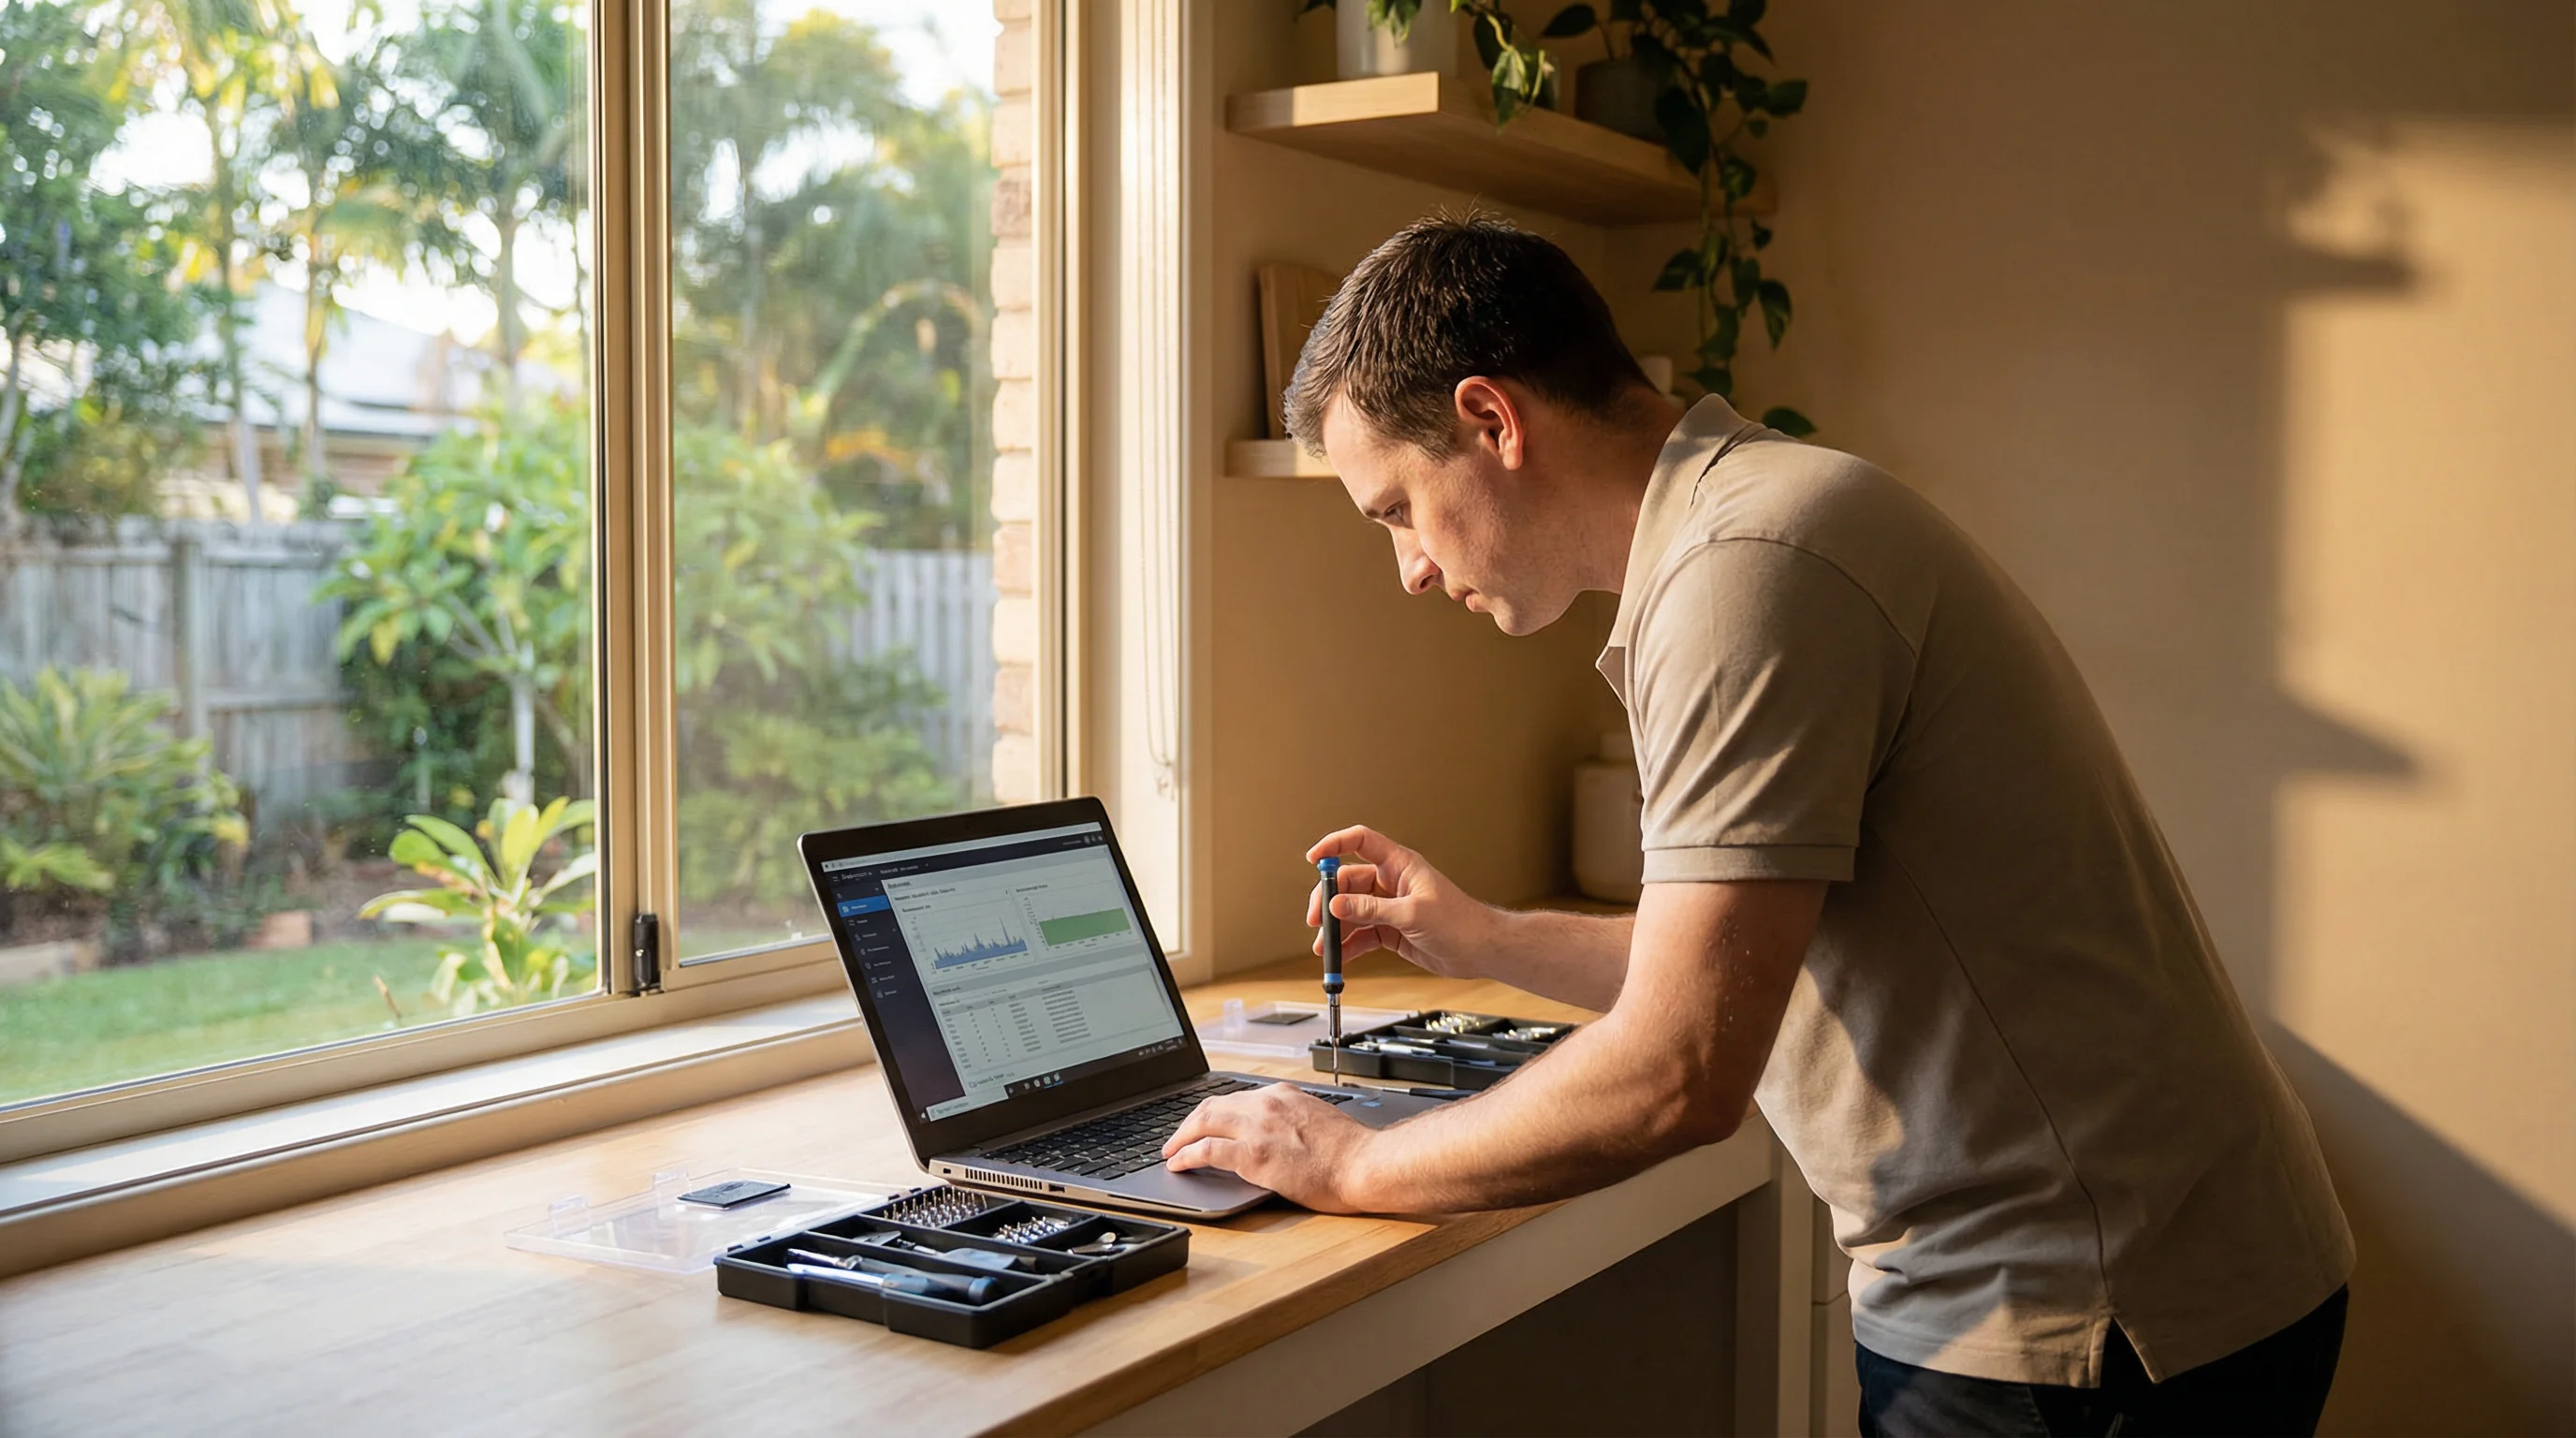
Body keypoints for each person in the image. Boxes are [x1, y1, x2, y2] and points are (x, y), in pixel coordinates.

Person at [1158, 215, 2355, 1436]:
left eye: (1396, 510)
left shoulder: (1743, 573)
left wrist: (1347, 1164)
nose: (1409, 567)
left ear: (1490, 420)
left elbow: (1679, 1074)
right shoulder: (1760, 518)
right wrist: (1482, 937)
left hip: (2091, 1312)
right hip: (2149, 1273)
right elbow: (1737, 962)